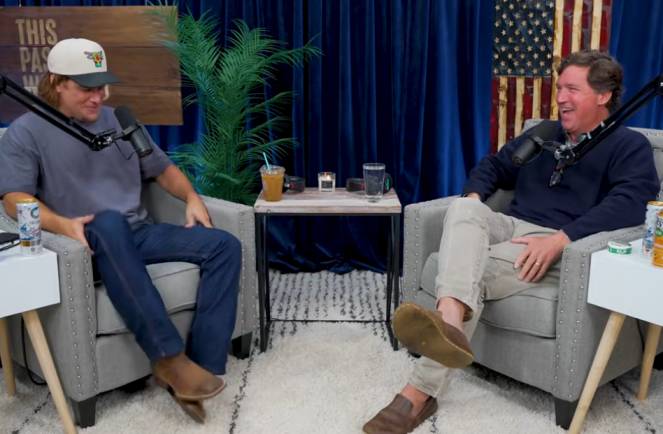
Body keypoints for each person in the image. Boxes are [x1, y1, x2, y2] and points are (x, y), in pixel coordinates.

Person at [363, 50, 660, 433]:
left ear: (603, 95)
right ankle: (450, 320)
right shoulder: (545, 135)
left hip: (556, 244)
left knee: (475, 275)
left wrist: (561, 239)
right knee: (464, 208)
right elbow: (493, 166)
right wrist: (474, 199)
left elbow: (631, 204)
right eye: (559, 88)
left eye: (572, 89)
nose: (561, 98)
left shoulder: (628, 146)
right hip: (510, 225)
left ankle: (418, 394)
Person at [0, 38, 242, 424]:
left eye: (102, 87)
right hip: (86, 244)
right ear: (57, 82)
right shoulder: (25, 133)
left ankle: (200, 368)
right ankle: (168, 358)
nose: (98, 97)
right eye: (87, 88)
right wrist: (63, 224)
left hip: (138, 234)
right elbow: (14, 199)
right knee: (108, 220)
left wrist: (192, 197)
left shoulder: (119, 121)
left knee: (224, 245)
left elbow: (162, 169)